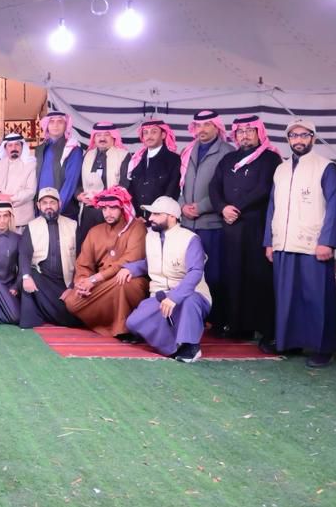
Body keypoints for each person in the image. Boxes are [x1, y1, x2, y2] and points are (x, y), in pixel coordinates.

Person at [265, 119, 336, 367]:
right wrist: (269, 241)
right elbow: (272, 207)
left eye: (303, 135)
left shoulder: (326, 167)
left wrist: (327, 242)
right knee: (286, 297)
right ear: (288, 140)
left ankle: (324, 348)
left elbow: (335, 207)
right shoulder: (281, 169)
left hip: (313, 244)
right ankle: (290, 341)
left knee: (317, 297)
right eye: (293, 136)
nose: (298, 140)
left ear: (313, 138)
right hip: (283, 242)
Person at [208, 114, 282, 345]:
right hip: (230, 229)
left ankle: (262, 328)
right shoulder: (228, 159)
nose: (245, 135)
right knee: (232, 276)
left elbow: (264, 188)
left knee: (257, 278)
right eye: (240, 131)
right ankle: (236, 326)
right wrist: (222, 208)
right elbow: (214, 187)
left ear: (259, 133)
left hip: (255, 227)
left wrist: (236, 208)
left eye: (250, 131)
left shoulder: (270, 158)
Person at [119, 196, 213, 362]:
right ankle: (174, 345)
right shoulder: (151, 236)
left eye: (156, 214)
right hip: (161, 295)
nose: (150, 218)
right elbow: (152, 263)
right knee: (133, 323)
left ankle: (191, 345)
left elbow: (195, 272)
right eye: (151, 214)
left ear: (172, 216)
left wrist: (174, 297)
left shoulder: (190, 238)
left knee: (189, 301)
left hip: (191, 295)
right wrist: (131, 269)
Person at [64, 187, 148, 337]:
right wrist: (83, 283)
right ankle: (108, 324)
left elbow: (128, 260)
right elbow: (83, 264)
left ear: (123, 207)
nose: (108, 213)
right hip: (100, 283)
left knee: (124, 283)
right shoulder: (95, 231)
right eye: (104, 208)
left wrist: (94, 279)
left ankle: (123, 328)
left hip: (128, 280)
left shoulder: (137, 227)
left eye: (113, 208)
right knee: (72, 302)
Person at [177, 110, 236, 319]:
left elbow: (227, 189)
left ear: (217, 127)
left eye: (207, 125)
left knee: (214, 274)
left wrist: (201, 207)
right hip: (187, 224)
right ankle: (191, 315)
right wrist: (182, 206)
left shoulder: (228, 152)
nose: (201, 129)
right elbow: (179, 184)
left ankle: (216, 318)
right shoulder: (187, 150)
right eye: (198, 125)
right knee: (188, 272)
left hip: (212, 224)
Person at [17, 187, 81, 328]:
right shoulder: (31, 226)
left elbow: (81, 259)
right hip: (42, 279)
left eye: (52, 202)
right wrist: (26, 277)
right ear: (38, 205)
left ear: (59, 204)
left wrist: (72, 286)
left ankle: (47, 312)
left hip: (66, 281)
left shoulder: (72, 225)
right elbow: (24, 254)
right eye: (44, 203)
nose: (48, 206)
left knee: (72, 316)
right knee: (29, 276)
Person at [34, 110, 85, 219]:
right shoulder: (40, 149)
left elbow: (71, 182)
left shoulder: (73, 149)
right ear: (47, 125)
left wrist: (57, 208)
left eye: (60, 122)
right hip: (42, 210)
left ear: (66, 126)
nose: (55, 125)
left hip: (63, 211)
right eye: (51, 122)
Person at [0, 132, 37, 230]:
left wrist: (10, 199)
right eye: (10, 145)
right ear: (5, 148)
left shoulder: (31, 165)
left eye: (17, 144)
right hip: (1, 220)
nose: (14, 148)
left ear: (22, 146)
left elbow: (31, 191)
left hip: (22, 220)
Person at [125, 119, 181, 209]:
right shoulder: (136, 159)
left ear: (163, 135)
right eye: (145, 133)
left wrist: (159, 213)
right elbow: (131, 189)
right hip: (138, 215)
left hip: (162, 213)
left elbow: (172, 190)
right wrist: (135, 213)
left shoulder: (174, 159)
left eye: (154, 132)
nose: (149, 136)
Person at [80, 121, 129, 194]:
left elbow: (125, 183)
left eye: (107, 135)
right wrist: (79, 195)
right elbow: (78, 182)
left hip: (113, 200)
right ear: (94, 138)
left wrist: (108, 198)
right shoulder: (87, 155)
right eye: (98, 135)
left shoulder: (123, 155)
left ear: (113, 137)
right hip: (89, 199)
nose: (102, 138)